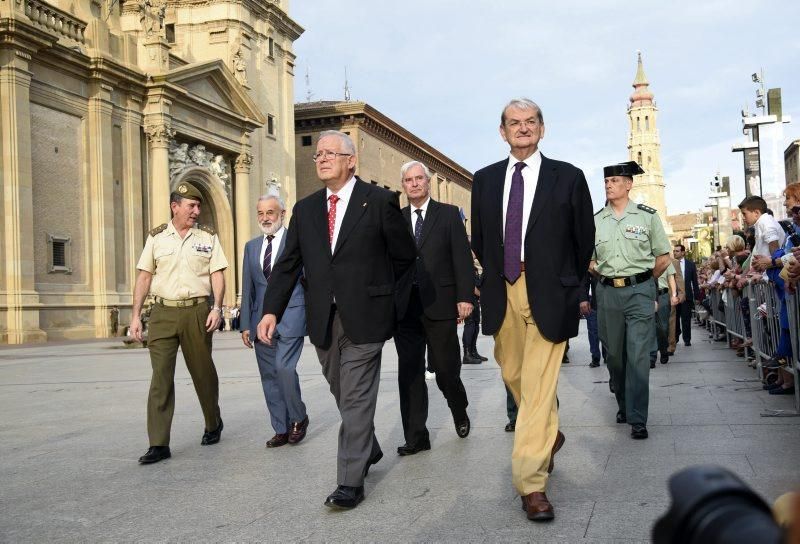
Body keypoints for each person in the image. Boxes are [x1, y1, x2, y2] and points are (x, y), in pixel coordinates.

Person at [256, 130, 416, 510]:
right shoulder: (307, 209)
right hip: (323, 320)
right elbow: (288, 264)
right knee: (341, 391)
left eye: (332, 152)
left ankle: (349, 480)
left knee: (357, 396)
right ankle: (368, 447)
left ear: (351, 160)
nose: (323, 158)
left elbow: (405, 258)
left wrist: (391, 304)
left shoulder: (378, 202)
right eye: (319, 154)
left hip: (367, 317)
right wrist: (270, 310)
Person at [470, 98, 595, 522]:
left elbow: (583, 240)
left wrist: (570, 285)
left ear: (543, 128)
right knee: (512, 372)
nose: (522, 129)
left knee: (540, 386)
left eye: (530, 122)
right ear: (502, 132)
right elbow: (480, 237)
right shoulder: (484, 180)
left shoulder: (569, 177)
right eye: (513, 123)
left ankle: (531, 483)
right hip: (502, 288)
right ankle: (548, 434)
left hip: (549, 291)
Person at [129, 182, 227, 464]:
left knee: (202, 373)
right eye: (191, 206)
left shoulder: (207, 237)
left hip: (197, 311)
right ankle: (158, 443)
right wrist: (135, 316)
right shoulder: (157, 238)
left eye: (198, 206)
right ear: (175, 207)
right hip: (161, 314)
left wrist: (217, 308)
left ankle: (213, 422)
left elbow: (217, 274)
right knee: (160, 377)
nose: (197, 211)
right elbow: (144, 277)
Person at [393, 161, 474, 456]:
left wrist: (465, 297)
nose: (414, 184)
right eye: (408, 180)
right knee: (410, 373)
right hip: (406, 310)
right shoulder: (396, 219)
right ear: (403, 185)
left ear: (428, 183)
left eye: (418, 179)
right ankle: (417, 436)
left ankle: (458, 407)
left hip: (440, 304)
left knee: (445, 370)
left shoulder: (449, 215)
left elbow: (462, 259)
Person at [590, 161, 671, 441]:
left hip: (639, 291)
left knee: (637, 355)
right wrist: (597, 271)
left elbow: (663, 256)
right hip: (608, 292)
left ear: (628, 184)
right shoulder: (596, 220)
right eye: (606, 181)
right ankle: (623, 403)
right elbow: (589, 259)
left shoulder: (647, 217)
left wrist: (647, 281)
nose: (609, 185)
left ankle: (638, 418)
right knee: (614, 355)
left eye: (614, 181)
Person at [240, 195, 309, 448]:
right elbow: (248, 287)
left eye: (271, 212)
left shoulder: (297, 241)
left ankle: (299, 418)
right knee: (269, 375)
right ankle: (281, 427)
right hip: (260, 322)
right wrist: (246, 323)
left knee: (284, 368)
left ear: (282, 213)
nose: (265, 217)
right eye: (261, 213)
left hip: (291, 315)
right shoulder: (251, 247)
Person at [649, 263, 680, 367]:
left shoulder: (666, 261)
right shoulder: (644, 259)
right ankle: (651, 356)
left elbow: (671, 278)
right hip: (648, 296)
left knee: (663, 327)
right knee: (650, 327)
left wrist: (674, 295)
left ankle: (663, 349)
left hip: (663, 295)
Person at [462, 250, 488, 365]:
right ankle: (467, 354)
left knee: (476, 324)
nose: (474, 252)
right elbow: (471, 286)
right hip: (469, 299)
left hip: (475, 300)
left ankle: (473, 351)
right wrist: (483, 296)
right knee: (470, 324)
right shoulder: (466, 266)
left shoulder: (473, 266)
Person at [672, 244, 699, 348]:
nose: (675, 253)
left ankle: (687, 339)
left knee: (686, 318)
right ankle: (676, 335)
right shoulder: (670, 264)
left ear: (683, 252)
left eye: (677, 251)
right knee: (675, 318)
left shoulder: (690, 264)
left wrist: (696, 296)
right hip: (674, 295)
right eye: (674, 251)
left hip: (686, 296)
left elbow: (694, 281)